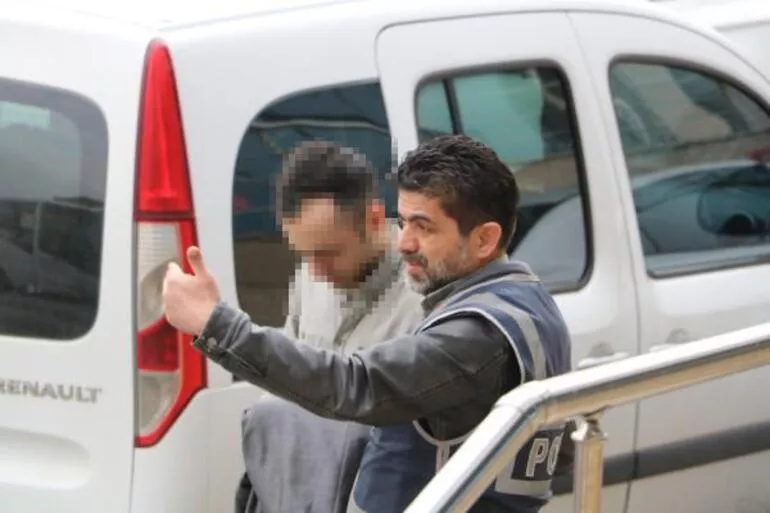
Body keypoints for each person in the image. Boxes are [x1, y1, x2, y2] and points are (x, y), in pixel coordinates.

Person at [163, 134, 573, 512]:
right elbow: (560, 450)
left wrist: (216, 324)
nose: (404, 242)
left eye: (424, 227)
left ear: (484, 240)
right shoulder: (525, 301)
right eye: (404, 222)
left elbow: (355, 385)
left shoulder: (473, 333)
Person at [234, 140, 424, 513]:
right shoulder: (311, 275)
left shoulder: (425, 299)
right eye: (304, 255)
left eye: (328, 253)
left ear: (374, 218)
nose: (316, 271)